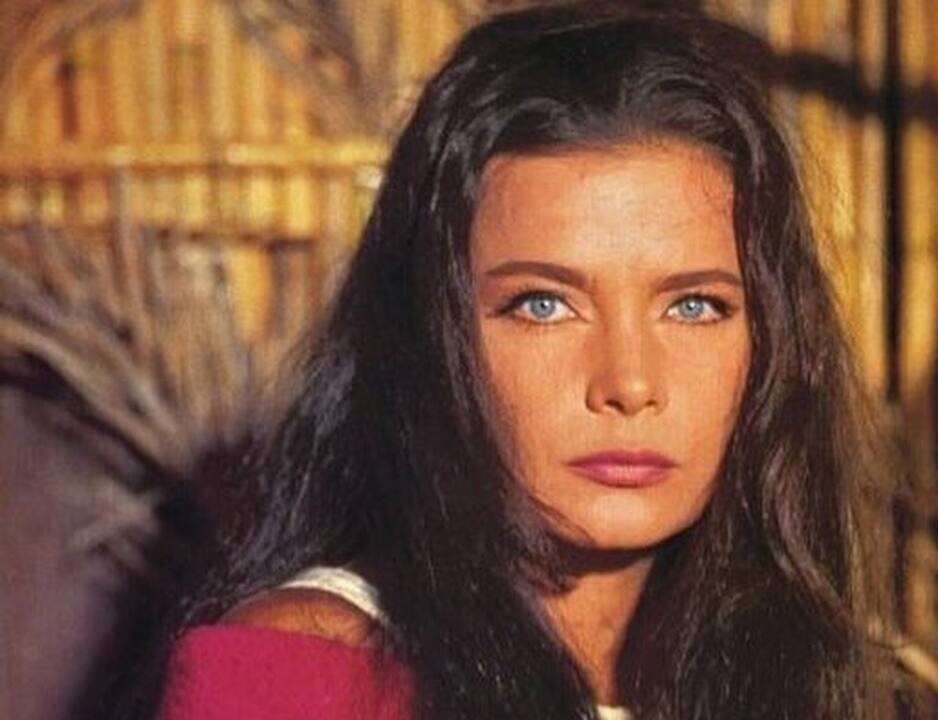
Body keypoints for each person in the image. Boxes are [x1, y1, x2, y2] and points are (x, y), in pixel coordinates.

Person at [133, 2, 892, 718]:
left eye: (694, 306)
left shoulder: (771, 673)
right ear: (436, 338)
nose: (629, 383)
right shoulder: (307, 675)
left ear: (772, 345)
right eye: (544, 305)